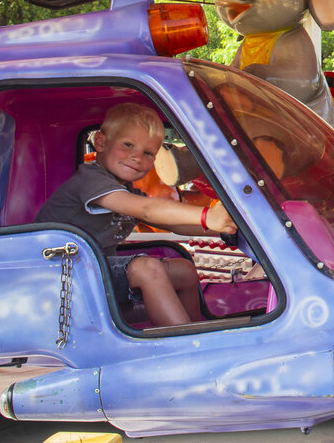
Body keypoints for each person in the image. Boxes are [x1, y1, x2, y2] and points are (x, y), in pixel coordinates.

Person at [36, 103, 237, 328]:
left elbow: (172, 224)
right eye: (128, 145)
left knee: (184, 270)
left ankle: (196, 330)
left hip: (92, 272)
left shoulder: (126, 191)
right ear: (101, 142)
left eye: (148, 153)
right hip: (58, 277)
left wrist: (224, 228)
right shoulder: (91, 180)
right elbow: (146, 209)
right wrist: (206, 216)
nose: (137, 157)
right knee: (146, 268)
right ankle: (185, 340)